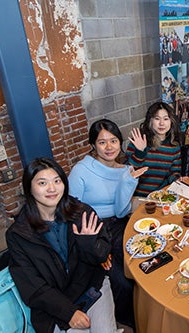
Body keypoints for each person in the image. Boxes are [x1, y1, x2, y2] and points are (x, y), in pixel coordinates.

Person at [6, 158, 120, 332]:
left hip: (92, 288)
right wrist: (69, 313)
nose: (52, 189)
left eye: (57, 181)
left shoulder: (82, 212)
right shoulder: (19, 234)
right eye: (42, 183)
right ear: (29, 188)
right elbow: (32, 287)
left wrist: (88, 244)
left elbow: (103, 255)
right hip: (54, 305)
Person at [68, 119, 147, 329]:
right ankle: (131, 320)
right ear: (93, 145)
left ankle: (144, 311)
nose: (109, 147)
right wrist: (96, 247)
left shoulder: (125, 170)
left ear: (120, 142)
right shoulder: (81, 170)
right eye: (102, 142)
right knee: (119, 279)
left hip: (119, 225)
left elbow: (121, 210)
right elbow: (71, 212)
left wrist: (128, 181)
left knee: (140, 264)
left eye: (113, 140)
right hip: (91, 229)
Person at [127, 101, 182, 197]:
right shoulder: (139, 141)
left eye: (166, 119)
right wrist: (140, 152)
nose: (161, 123)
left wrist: (177, 179)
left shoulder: (174, 146)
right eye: (157, 119)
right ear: (150, 121)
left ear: (171, 121)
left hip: (161, 196)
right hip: (137, 197)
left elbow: (174, 173)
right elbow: (128, 172)